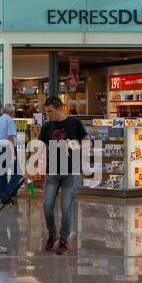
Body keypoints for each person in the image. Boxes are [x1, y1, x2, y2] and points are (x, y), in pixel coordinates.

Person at [39, 96, 86, 255]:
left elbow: (87, 141)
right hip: (52, 170)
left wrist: (77, 147)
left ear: (60, 108)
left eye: (50, 111)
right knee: (47, 205)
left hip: (71, 170)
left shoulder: (75, 123)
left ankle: (64, 239)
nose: (48, 115)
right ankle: (52, 234)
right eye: (46, 112)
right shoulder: (46, 127)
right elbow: (41, 147)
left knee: (66, 207)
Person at [0, 102, 22, 201]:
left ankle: (2, 196)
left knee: (2, 173)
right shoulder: (9, 121)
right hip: (8, 148)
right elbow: (10, 137)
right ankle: (7, 195)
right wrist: (13, 154)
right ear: (11, 112)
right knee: (17, 173)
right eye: (14, 112)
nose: (14, 114)